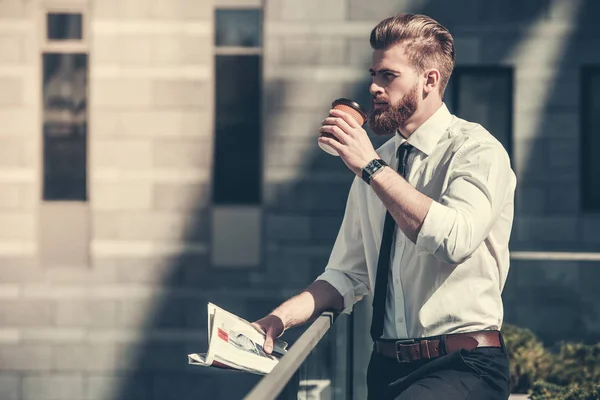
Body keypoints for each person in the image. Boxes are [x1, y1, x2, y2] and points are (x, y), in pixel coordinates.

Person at [253, 12, 516, 400]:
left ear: (429, 80)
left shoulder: (476, 151)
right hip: (386, 369)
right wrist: (277, 320)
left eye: (388, 76)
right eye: (373, 74)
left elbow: (454, 239)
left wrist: (371, 168)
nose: (374, 87)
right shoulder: (378, 162)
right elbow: (346, 274)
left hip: (463, 365)